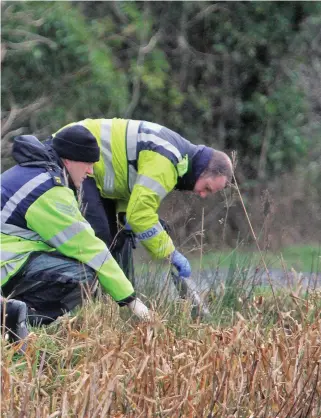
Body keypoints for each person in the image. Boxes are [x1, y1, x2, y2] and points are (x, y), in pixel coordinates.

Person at [1, 131, 150, 348]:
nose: (90, 171)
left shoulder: (31, 172)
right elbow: (87, 247)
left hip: (7, 255)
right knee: (83, 275)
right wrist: (130, 300)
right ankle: (12, 320)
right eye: (88, 163)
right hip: (5, 261)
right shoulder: (48, 189)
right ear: (68, 160)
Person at [50, 119, 233, 289]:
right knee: (99, 238)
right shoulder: (167, 162)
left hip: (89, 165)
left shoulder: (178, 159)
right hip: (74, 153)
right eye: (207, 188)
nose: (202, 195)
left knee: (116, 239)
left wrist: (124, 217)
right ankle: (73, 298)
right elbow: (139, 214)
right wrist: (170, 253)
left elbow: (125, 183)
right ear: (201, 170)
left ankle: (103, 304)